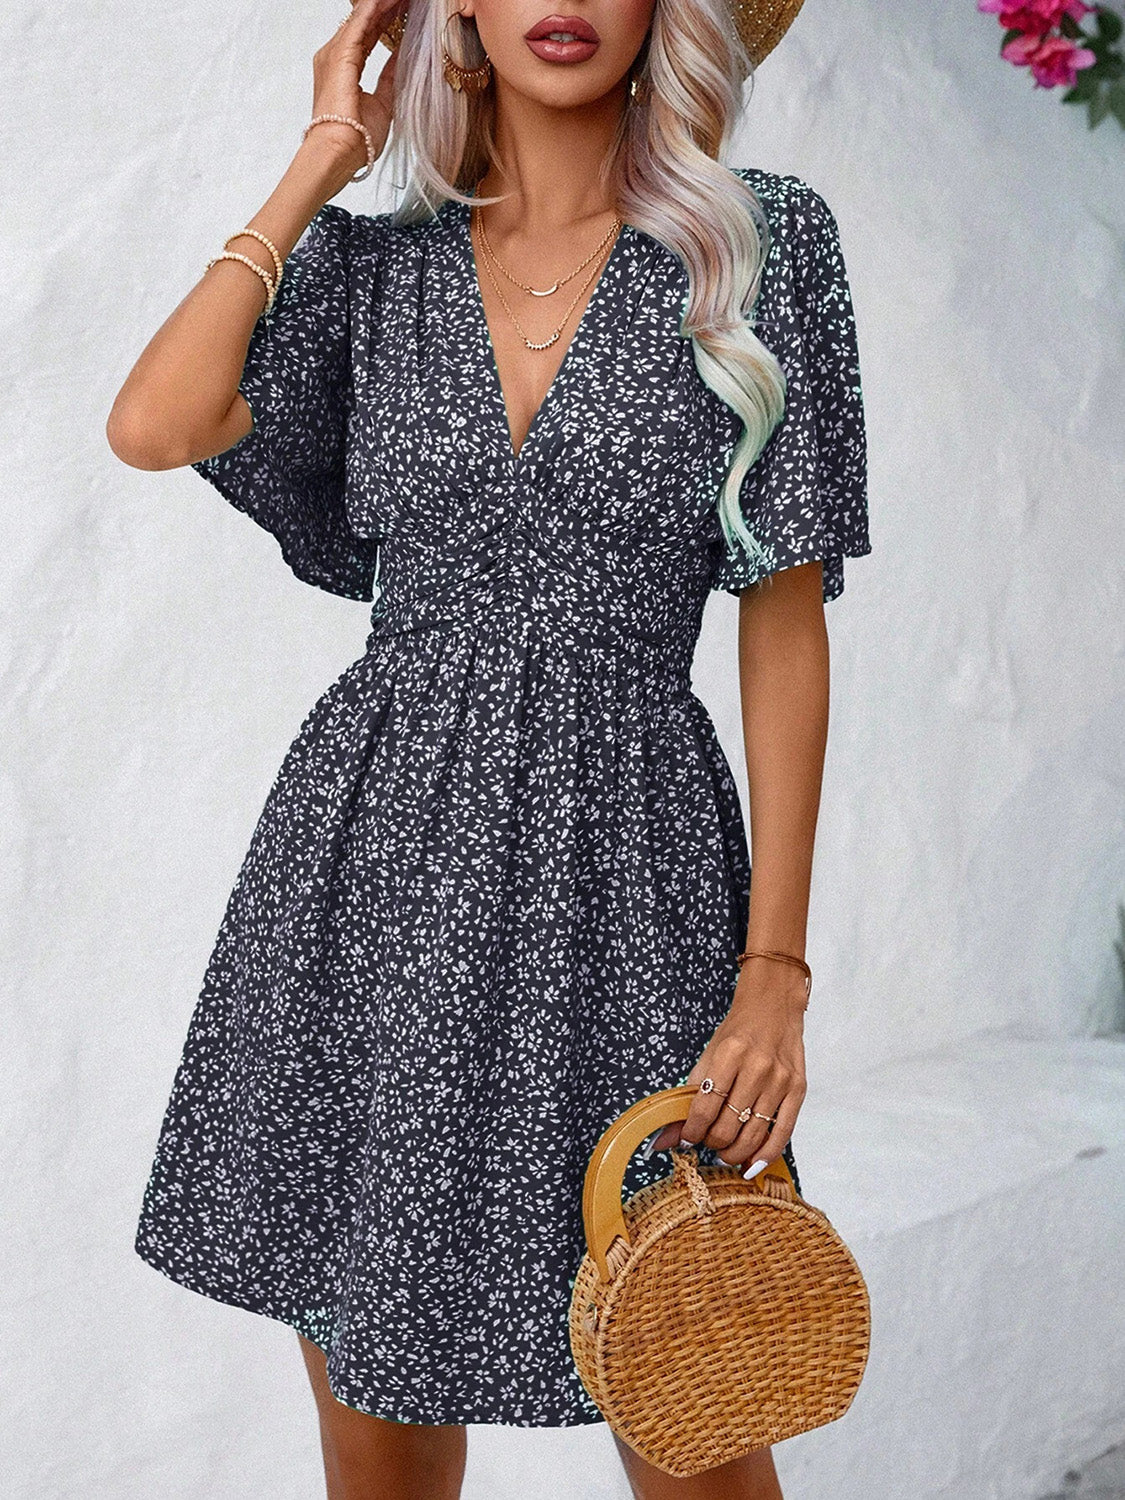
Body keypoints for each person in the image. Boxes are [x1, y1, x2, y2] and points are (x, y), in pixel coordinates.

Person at [106, 0, 870, 1495]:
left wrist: (773, 972)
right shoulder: (371, 269)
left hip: (630, 880)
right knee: (377, 1429)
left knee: (696, 1389)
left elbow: (784, 626)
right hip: (372, 873)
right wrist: (323, 154)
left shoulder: (760, 246)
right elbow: (155, 422)